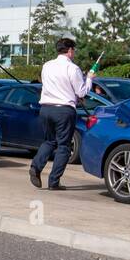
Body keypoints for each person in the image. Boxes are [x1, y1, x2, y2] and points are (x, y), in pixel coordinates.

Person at [31, 37, 96, 190]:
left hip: (46, 108)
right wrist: (89, 79)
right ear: (70, 50)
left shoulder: (47, 66)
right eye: (74, 50)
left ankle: (35, 167)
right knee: (64, 146)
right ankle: (54, 181)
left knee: (49, 141)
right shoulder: (72, 68)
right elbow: (81, 91)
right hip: (64, 110)